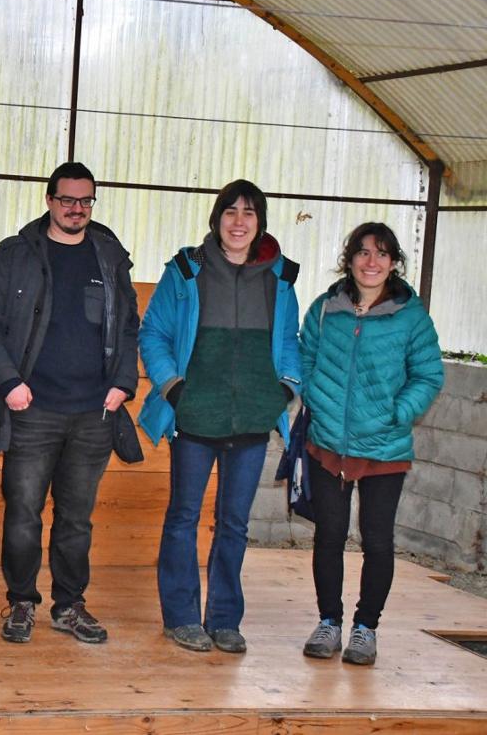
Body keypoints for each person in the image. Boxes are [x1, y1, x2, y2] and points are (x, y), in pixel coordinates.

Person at [0, 161, 138, 644]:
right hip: (30, 410)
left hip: (94, 412)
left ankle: (70, 605)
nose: (76, 209)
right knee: (23, 513)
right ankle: (21, 601)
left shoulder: (109, 256)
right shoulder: (16, 255)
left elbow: (128, 326)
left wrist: (123, 382)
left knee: (76, 519)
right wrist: (8, 384)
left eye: (85, 200)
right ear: (49, 200)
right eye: (67, 199)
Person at [138, 179, 301, 654]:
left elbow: (290, 342)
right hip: (194, 416)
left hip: (252, 418)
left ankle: (225, 620)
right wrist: (176, 388)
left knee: (234, 523)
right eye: (230, 211)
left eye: (249, 213)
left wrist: (283, 391)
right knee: (183, 516)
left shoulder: (281, 277)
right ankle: (182, 617)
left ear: (260, 223)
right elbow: (154, 334)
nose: (239, 221)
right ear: (217, 218)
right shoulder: (186, 269)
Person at [298, 223, 443, 666]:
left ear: (394, 262)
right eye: (363, 253)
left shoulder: (411, 316)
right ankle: (329, 623)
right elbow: (305, 356)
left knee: (377, 541)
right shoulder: (326, 308)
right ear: (350, 259)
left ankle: (366, 628)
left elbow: (429, 374)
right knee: (329, 536)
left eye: (382, 254)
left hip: (384, 449)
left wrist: (396, 414)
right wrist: (318, 402)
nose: (372, 262)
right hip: (328, 445)